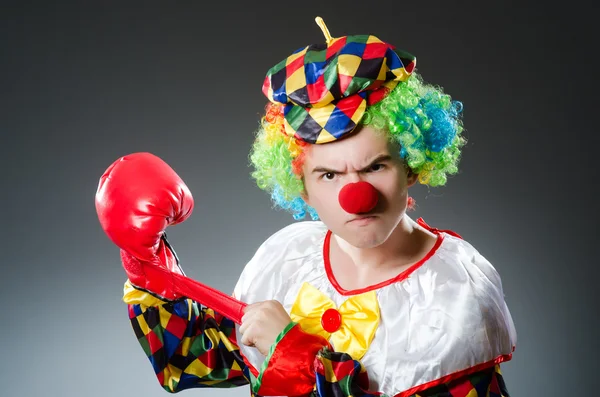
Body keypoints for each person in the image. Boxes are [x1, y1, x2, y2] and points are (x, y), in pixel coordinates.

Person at [96, 17, 516, 397]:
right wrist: (147, 261)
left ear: (413, 164)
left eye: (376, 166)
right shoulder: (288, 261)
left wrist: (295, 354)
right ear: (302, 189)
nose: (357, 195)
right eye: (329, 176)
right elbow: (195, 359)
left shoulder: (455, 293)